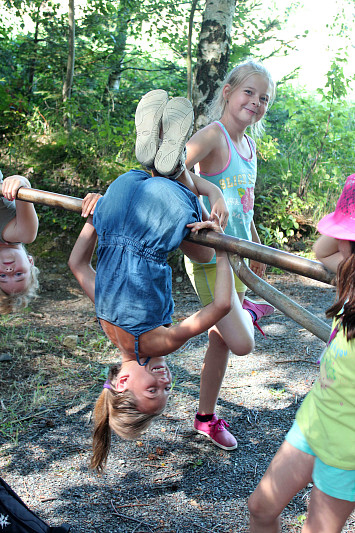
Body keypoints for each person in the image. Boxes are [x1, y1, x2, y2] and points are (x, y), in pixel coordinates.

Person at [69, 91, 256, 472]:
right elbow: (78, 266)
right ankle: (160, 158)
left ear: (121, 382)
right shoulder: (107, 323)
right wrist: (95, 216)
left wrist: (221, 248)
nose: (164, 380)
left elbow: (220, 306)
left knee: (202, 253)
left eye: (152, 389)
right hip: (121, 196)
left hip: (159, 212)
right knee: (182, 225)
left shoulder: (159, 342)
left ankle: (173, 168)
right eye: (167, 389)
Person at [248, 173, 355, 533]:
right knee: (261, 508)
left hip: (347, 449)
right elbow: (321, 251)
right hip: (314, 420)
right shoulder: (350, 278)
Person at [183, 60, 276, 450]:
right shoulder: (213, 136)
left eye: (264, 99)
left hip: (237, 255)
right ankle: (249, 312)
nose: (255, 102)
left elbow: (244, 205)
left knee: (219, 342)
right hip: (209, 255)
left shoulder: (250, 146)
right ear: (228, 91)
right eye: (249, 92)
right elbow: (167, 168)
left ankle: (205, 418)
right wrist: (211, 191)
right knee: (241, 342)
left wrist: (254, 242)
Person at [0, 170, 39, 314]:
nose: (9, 271)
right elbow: (24, 190)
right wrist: (18, 182)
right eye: (18, 274)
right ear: (30, 262)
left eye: (2, 276)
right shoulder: (24, 233)